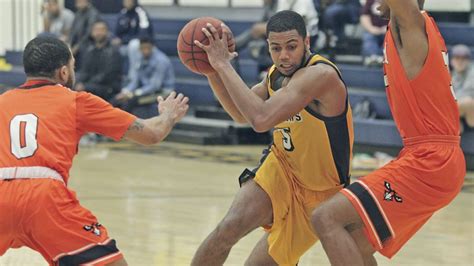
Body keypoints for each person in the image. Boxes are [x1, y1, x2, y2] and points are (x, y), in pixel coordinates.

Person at [0, 36, 188, 265]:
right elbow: (151, 133)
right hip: (44, 197)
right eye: (73, 66)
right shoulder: (76, 101)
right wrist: (168, 115)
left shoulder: (3, 101)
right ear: (63, 72)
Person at [191, 10, 353, 265]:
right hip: (282, 169)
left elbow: (260, 120)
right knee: (228, 228)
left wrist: (224, 65)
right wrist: (213, 72)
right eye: (276, 48)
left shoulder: (321, 76)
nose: (284, 55)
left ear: (307, 42)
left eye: (291, 46)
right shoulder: (275, 75)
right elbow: (240, 114)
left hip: (320, 192)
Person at [311, 0, 466, 265]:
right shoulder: (404, 30)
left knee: (325, 217)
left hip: (431, 159)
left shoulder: (411, 23)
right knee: (355, 242)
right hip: (431, 158)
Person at [113, 36, 175, 113]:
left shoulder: (161, 61)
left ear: (153, 47)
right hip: (145, 89)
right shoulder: (140, 58)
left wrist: (133, 94)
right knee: (116, 100)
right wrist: (126, 91)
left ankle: (127, 124)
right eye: (142, 48)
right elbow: (136, 81)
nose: (145, 51)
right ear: (139, 48)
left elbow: (155, 86)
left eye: (148, 48)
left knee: (130, 102)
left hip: (162, 92)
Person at [75, 20, 123, 102]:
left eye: (101, 30)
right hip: (91, 85)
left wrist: (86, 85)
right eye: (96, 30)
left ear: (107, 32)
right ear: (92, 32)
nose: (98, 33)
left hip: (107, 88)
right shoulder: (88, 50)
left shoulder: (114, 51)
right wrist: (77, 82)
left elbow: (107, 76)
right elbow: (84, 71)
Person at [450, 44, 474, 131]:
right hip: (460, 113)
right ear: (452, 61)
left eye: (463, 58)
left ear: (468, 60)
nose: (460, 61)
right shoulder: (452, 74)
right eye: (457, 58)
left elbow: (469, 94)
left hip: (471, 114)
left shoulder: (472, 70)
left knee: (468, 102)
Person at [360, 0, 388, 67]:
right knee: (368, 37)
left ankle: (384, 58)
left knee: (389, 40)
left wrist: (388, 28)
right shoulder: (370, 1)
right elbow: (364, 16)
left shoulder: (394, 3)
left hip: (389, 31)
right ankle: (372, 58)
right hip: (373, 30)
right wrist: (371, 29)